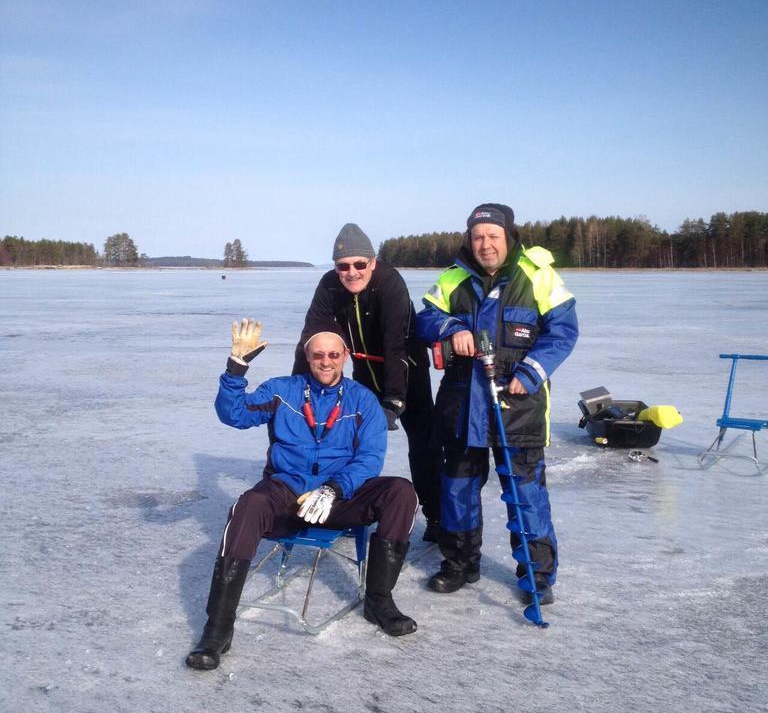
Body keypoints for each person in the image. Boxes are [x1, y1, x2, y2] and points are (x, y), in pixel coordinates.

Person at [186, 320, 418, 671]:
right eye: (318, 355)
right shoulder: (283, 391)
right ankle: (218, 629)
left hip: (339, 498)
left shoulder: (363, 400)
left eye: (333, 355)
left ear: (345, 357)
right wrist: (237, 368)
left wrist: (334, 487)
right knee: (247, 506)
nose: (326, 362)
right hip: (287, 492)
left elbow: (369, 458)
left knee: (401, 492)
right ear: (307, 358)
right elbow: (233, 414)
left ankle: (379, 601)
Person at [415, 203, 578, 604]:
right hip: (462, 407)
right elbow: (423, 321)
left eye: (493, 236)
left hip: (518, 406)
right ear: (469, 240)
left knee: (526, 495)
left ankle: (536, 575)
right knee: (457, 490)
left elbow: (563, 331)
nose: (485, 245)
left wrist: (530, 373)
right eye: (478, 237)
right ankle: (459, 563)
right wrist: (450, 327)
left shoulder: (537, 276)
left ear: (508, 237)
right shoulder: (453, 278)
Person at [292, 223, 441, 541]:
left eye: (360, 264)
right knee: (350, 443)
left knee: (423, 445)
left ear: (372, 262)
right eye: (343, 266)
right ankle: (346, 507)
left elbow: (395, 344)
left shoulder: (390, 283)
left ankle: (436, 515)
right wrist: (296, 393)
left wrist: (393, 401)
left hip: (406, 371)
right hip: (363, 372)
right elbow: (311, 337)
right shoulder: (329, 285)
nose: (352, 272)